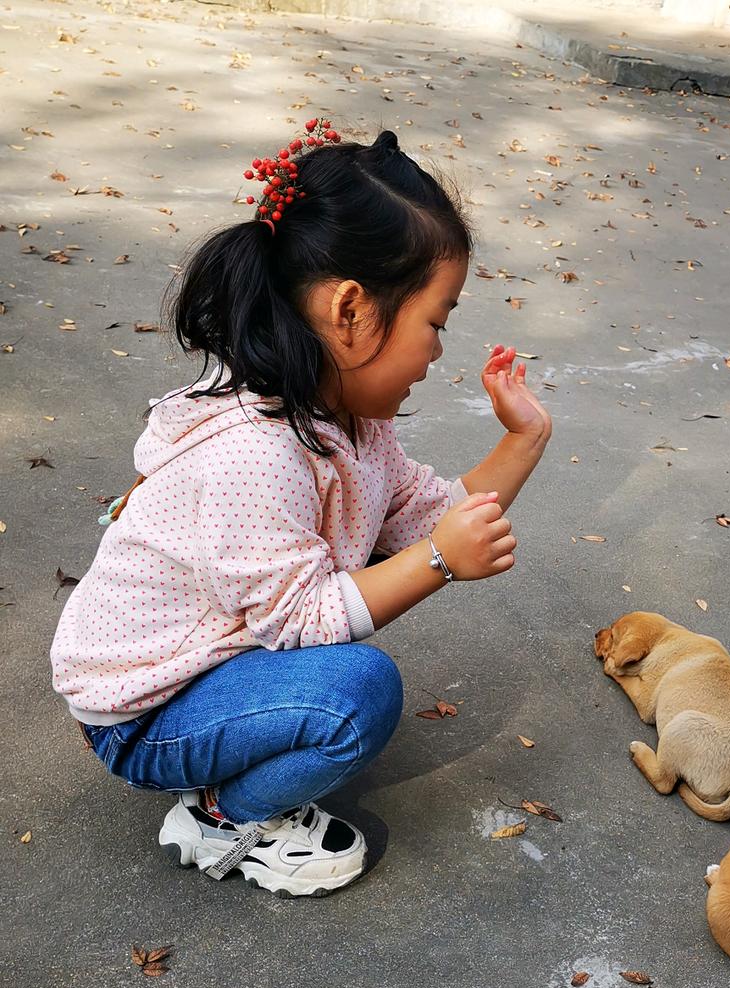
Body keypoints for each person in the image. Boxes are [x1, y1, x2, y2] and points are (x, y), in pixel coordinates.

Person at [50, 119, 551, 898]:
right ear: (350, 311)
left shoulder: (348, 420)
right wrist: (440, 561)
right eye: (436, 322)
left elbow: (426, 514)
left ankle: (234, 762)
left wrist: (525, 438)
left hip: (208, 664)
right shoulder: (255, 452)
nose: (437, 351)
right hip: (142, 713)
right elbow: (304, 619)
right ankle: (223, 816)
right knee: (358, 695)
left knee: (355, 655)